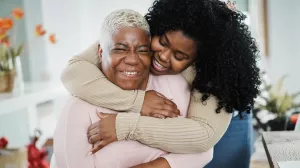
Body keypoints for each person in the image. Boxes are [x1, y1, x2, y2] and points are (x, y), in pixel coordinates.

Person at [61, 0, 261, 167]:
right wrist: (138, 101)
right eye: (163, 42)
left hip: (224, 129)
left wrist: (124, 126)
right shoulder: (143, 31)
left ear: (197, 60)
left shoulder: (215, 72)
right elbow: (72, 72)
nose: (163, 56)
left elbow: (203, 138)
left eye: (179, 55)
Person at [54, 9, 213, 168]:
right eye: (120, 49)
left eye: (142, 50)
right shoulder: (78, 109)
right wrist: (138, 101)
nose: (132, 60)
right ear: (101, 52)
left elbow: (203, 149)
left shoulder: (173, 85)